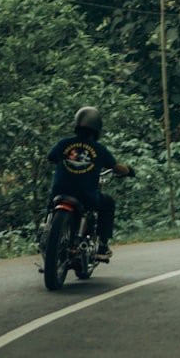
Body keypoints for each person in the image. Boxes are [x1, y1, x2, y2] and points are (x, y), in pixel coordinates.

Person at [47, 107, 134, 261]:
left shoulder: (63, 144)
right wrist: (128, 170)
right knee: (108, 203)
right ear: (97, 129)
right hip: (85, 196)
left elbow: (51, 157)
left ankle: (46, 231)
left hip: (59, 192)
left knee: (50, 204)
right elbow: (117, 168)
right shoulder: (99, 150)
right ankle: (102, 245)